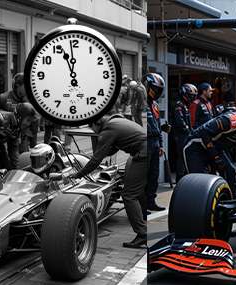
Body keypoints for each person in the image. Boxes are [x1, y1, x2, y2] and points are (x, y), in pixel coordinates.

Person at [69, 113, 147, 248]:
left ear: (98, 122)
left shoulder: (108, 130)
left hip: (143, 154)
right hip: (149, 149)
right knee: (136, 190)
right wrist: (99, 144)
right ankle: (143, 224)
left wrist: (79, 174)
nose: (93, 131)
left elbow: (96, 160)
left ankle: (142, 234)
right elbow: (109, 151)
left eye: (92, 127)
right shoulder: (117, 122)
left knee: (128, 195)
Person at [0, 103, 37, 186]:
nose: (28, 124)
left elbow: (13, 148)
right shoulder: (3, 120)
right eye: (28, 120)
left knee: (9, 171)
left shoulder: (18, 126)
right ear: (20, 117)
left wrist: (17, 170)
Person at [0, 72, 32, 153]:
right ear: (17, 86)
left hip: (22, 135)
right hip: (3, 136)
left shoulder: (29, 100)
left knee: (23, 158)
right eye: (25, 86)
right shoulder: (3, 98)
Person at [146, 73, 169, 212]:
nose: (158, 92)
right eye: (155, 88)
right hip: (145, 142)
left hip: (155, 143)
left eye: (160, 89)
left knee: (154, 174)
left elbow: (157, 123)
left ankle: (150, 201)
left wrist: (161, 144)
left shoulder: (155, 105)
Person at [171, 83, 197, 183]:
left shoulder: (185, 105)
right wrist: (188, 130)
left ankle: (186, 178)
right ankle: (180, 179)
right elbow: (180, 121)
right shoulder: (178, 104)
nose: (192, 97)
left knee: (186, 156)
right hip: (181, 135)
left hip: (186, 134)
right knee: (182, 157)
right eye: (190, 95)